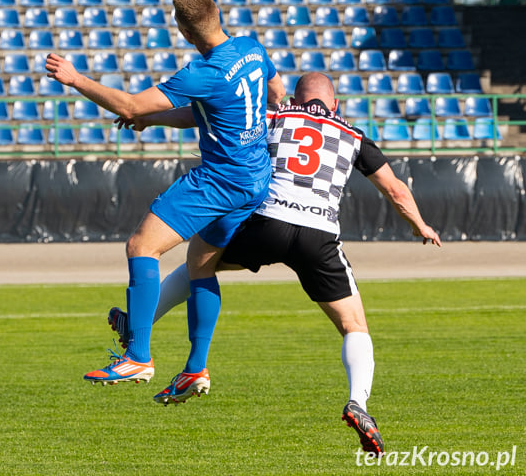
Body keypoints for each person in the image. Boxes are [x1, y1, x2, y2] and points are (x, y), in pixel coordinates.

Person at [108, 72, 441, 456]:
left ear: (296, 97)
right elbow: (396, 189)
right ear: (334, 104)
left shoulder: (275, 116)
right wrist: (421, 225)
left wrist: (148, 118)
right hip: (319, 235)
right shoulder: (354, 134)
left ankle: (143, 330)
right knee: (354, 326)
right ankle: (358, 404)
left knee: (200, 262)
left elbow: (205, 116)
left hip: (266, 222)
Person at [46, 0, 285, 396]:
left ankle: (137, 356)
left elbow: (128, 105)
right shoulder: (251, 48)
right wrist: (156, 122)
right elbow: (273, 95)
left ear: (184, 31)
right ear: (218, 14)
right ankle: (195, 369)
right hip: (255, 177)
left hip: (220, 179)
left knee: (142, 247)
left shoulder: (202, 72)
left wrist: (76, 79)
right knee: (200, 267)